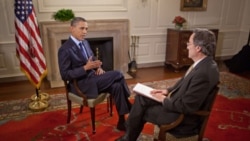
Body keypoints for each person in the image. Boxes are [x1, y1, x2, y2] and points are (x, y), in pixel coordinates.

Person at [115, 28, 219, 141]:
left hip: (180, 118)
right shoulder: (204, 63)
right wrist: (166, 91)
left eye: (189, 43)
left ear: (198, 48)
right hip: (175, 102)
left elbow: (186, 106)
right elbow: (183, 82)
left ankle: (128, 135)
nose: (187, 46)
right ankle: (129, 134)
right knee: (142, 97)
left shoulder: (203, 73)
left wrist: (163, 100)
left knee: (141, 110)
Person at [58, 17, 131, 131]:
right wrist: (85, 68)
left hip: (93, 77)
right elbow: (65, 75)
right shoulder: (65, 49)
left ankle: (122, 121)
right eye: (82, 28)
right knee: (118, 74)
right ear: (72, 29)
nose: (85, 32)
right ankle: (130, 107)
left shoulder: (85, 42)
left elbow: (92, 58)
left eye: (86, 29)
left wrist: (98, 67)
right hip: (81, 84)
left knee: (117, 86)